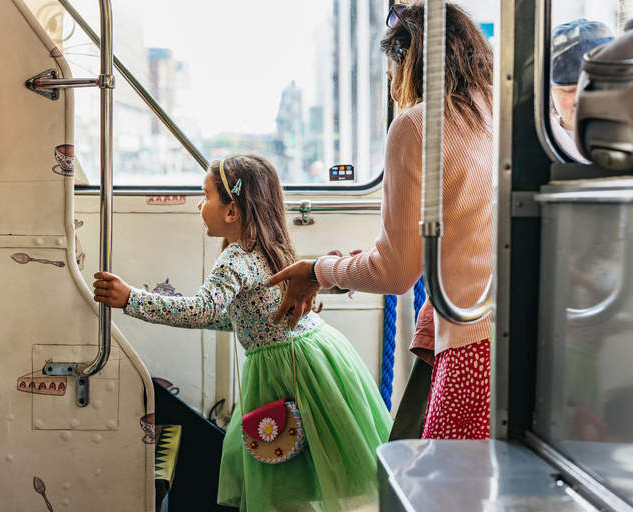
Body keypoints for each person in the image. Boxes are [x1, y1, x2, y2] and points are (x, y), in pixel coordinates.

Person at [93, 153, 392, 511]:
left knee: (277, 472)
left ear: (231, 211)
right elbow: (242, 317)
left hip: (283, 368)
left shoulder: (235, 258)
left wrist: (132, 300)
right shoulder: (270, 248)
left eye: (204, 196)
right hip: (313, 355)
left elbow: (201, 310)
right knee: (299, 463)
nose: (199, 206)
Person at [265, 1, 494, 440]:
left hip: (471, 347)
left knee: (448, 490)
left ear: (409, 63)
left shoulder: (417, 127)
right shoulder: (497, 115)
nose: (392, 89)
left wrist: (318, 270)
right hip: (518, 333)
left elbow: (396, 272)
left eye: (391, 74)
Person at [550, 18, 614, 162]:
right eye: (568, 90)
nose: (579, 99)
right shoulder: (543, 138)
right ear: (549, 91)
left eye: (591, 87)